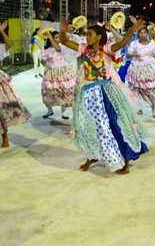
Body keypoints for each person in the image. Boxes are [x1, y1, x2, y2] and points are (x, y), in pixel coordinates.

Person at [61, 19, 148, 174]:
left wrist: (132, 29)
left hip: (105, 92)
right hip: (87, 93)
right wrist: (62, 30)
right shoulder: (83, 49)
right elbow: (64, 41)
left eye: (90, 34)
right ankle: (92, 155)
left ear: (99, 37)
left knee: (114, 124)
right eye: (86, 34)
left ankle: (125, 159)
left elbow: (123, 43)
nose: (87, 37)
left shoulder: (107, 49)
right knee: (86, 125)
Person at [126, 27, 155, 119]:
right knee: (137, 90)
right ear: (138, 34)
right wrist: (135, 55)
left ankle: (154, 110)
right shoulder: (134, 44)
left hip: (150, 69)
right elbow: (128, 54)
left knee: (152, 90)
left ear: (147, 33)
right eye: (140, 33)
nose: (142, 34)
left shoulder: (152, 44)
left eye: (144, 32)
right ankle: (139, 108)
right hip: (136, 69)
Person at [41, 31, 76, 119]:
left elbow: (58, 49)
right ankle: (49, 110)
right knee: (48, 92)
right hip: (51, 73)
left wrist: (50, 37)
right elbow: (43, 60)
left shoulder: (62, 47)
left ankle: (64, 112)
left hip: (63, 72)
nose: (58, 39)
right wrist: (46, 64)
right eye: (56, 37)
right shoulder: (46, 49)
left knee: (64, 92)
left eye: (58, 37)